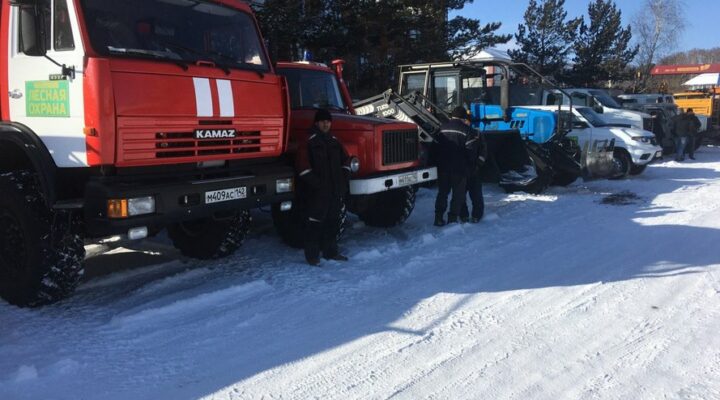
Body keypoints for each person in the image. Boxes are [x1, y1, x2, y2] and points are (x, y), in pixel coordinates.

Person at [299, 109, 351, 266]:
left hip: (335, 191)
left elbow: (346, 161)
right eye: (322, 121)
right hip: (317, 193)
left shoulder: (334, 141)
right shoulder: (309, 142)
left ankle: (331, 252)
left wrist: (343, 178)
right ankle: (312, 257)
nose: (326, 124)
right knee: (314, 223)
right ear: (317, 123)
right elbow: (303, 168)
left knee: (333, 223)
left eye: (328, 121)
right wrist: (317, 185)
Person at [434, 106, 473, 226]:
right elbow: (470, 151)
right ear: (462, 117)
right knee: (458, 194)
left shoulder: (441, 129)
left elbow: (434, 149)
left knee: (442, 193)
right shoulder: (467, 130)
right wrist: (470, 166)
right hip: (459, 169)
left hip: (443, 168)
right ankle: (452, 218)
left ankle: (438, 218)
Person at [460, 122, 488, 223]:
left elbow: (483, 149)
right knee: (466, 194)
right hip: (466, 169)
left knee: (473, 194)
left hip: (471, 169)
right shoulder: (465, 132)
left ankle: (474, 215)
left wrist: (478, 163)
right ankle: (467, 215)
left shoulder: (476, 133)